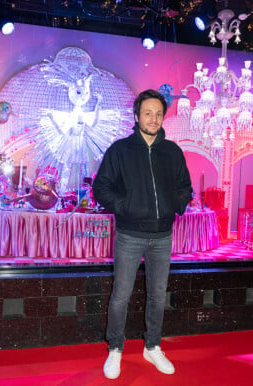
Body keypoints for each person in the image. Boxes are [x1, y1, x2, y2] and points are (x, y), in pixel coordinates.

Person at [92, 89, 192, 379]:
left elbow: (185, 186)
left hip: (162, 236)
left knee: (158, 296)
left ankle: (152, 346)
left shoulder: (172, 151)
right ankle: (115, 349)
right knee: (121, 295)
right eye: (148, 113)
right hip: (129, 235)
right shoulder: (120, 150)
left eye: (159, 113)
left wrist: (177, 204)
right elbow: (101, 188)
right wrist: (126, 207)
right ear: (136, 116)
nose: (154, 118)